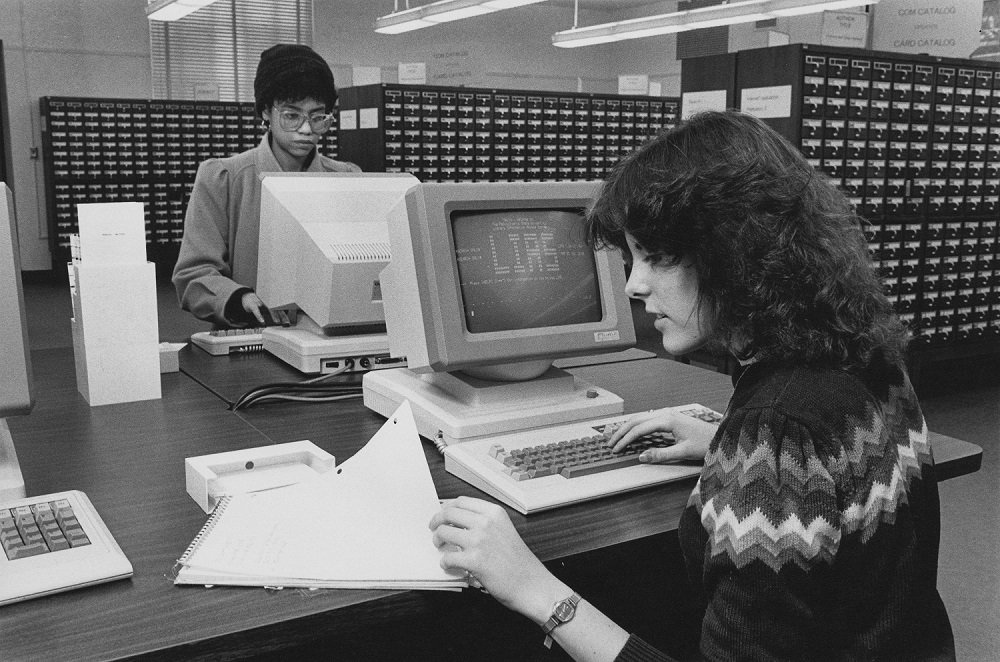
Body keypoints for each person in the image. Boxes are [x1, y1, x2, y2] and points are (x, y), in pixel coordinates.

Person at [429, 110, 955, 661]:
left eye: (657, 258)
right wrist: (730, 443)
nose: (634, 283)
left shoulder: (777, 432)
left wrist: (537, 591)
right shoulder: (863, 354)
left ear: (735, 253)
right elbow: (842, 481)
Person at [172, 44, 360, 327]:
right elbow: (193, 274)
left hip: (328, 335)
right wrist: (239, 298)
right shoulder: (224, 178)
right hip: (251, 340)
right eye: (292, 115)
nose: (307, 129)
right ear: (265, 113)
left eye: (318, 117)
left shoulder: (348, 179)